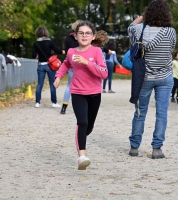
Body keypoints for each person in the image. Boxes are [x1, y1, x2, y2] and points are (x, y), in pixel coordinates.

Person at [53, 21, 108, 170]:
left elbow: (104, 73)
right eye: (81, 33)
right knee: (82, 122)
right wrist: (58, 77)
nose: (84, 36)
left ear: (93, 36)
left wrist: (86, 63)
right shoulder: (71, 52)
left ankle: (84, 132)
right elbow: (66, 64)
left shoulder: (96, 52)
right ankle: (82, 157)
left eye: (87, 33)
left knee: (88, 126)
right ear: (75, 36)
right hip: (77, 92)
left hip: (95, 93)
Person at [127, 0, 176, 159]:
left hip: (144, 78)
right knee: (162, 113)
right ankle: (157, 148)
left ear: (148, 13)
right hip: (164, 77)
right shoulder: (170, 32)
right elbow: (171, 49)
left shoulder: (138, 30)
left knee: (140, 113)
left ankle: (134, 147)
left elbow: (131, 26)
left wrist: (143, 16)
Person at [31, 26, 65, 108]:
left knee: (40, 84)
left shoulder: (36, 44)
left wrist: (37, 56)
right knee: (52, 84)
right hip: (50, 66)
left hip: (40, 66)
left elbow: (33, 55)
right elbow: (57, 50)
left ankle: (37, 102)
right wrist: (63, 51)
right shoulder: (49, 42)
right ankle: (54, 102)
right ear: (46, 33)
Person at [60, 20, 81, 114]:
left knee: (69, 85)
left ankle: (64, 107)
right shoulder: (83, 37)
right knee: (80, 87)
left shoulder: (68, 38)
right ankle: (78, 107)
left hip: (72, 64)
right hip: (81, 64)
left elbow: (66, 50)